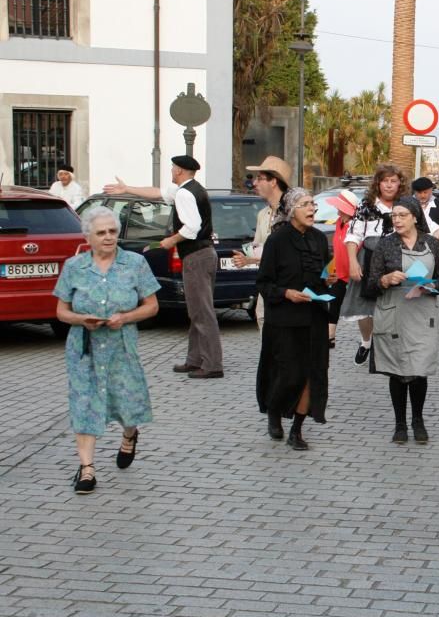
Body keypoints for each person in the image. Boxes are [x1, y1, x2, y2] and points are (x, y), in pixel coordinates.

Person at [53, 206, 161, 494]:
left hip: (121, 345)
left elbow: (152, 306)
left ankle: (129, 435)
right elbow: (61, 311)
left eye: (113, 231)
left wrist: (124, 317)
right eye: (101, 232)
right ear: (88, 236)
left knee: (127, 402)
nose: (108, 237)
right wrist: (80, 319)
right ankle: (87, 468)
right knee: (84, 402)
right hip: (83, 348)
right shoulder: (73, 267)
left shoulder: (134, 264)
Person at [103, 155, 224, 378]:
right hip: (202, 254)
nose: (170, 170)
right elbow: (157, 192)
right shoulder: (188, 189)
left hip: (196, 255)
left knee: (202, 311)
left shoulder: (186, 194)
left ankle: (212, 364)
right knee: (196, 310)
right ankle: (195, 359)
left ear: (179, 171)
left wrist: (171, 240)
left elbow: (192, 228)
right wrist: (126, 188)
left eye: (172, 168)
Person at [365, 195, 439, 444]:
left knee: (419, 370)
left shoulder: (432, 244)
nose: (398, 220)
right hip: (394, 312)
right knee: (398, 370)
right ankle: (400, 423)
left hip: (423, 314)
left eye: (403, 215)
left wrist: (431, 285)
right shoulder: (385, 245)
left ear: (415, 217)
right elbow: (370, 285)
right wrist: (385, 280)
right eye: (394, 216)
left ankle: (418, 420)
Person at [255, 189, 332, 451]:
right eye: (305, 204)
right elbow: (264, 283)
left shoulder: (320, 239)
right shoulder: (277, 241)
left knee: (312, 374)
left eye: (313, 204)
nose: (311, 208)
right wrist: (287, 293)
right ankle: (274, 411)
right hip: (284, 320)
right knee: (287, 375)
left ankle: (297, 430)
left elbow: (324, 272)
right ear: (291, 210)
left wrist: (328, 279)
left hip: (314, 318)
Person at [342, 164, 408, 366]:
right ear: (378, 183)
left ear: (399, 184)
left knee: (395, 304)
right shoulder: (367, 205)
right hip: (368, 257)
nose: (389, 185)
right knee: (364, 306)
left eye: (393, 181)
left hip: (397, 258)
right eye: (385, 181)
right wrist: (353, 262)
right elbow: (353, 235)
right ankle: (366, 341)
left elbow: (426, 230)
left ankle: (389, 346)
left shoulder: (405, 204)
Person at [234, 156, 293, 330]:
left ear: (273, 182)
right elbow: (260, 249)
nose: (255, 183)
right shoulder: (262, 214)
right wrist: (248, 258)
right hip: (267, 284)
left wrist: (252, 260)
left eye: (260, 178)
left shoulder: (292, 213)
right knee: (262, 319)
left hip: (288, 284)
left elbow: (287, 255)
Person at [322, 190, 359, 348]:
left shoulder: (355, 226)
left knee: (361, 309)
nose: (337, 211)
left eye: (340, 208)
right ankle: (330, 337)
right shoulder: (338, 222)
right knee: (334, 302)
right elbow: (337, 249)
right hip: (339, 272)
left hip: (354, 273)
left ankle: (369, 340)